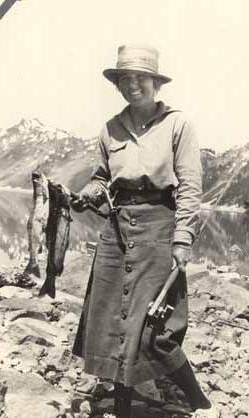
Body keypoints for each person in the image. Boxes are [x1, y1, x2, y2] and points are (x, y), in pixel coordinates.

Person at [71, 45, 219, 418]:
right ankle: (121, 406)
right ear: (118, 84)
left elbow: (189, 185)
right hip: (116, 232)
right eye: (124, 79)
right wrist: (87, 195)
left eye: (140, 78)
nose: (132, 85)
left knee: (154, 327)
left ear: (155, 82)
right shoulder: (110, 128)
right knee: (108, 318)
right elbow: (103, 178)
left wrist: (183, 238)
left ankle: (199, 402)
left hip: (159, 229)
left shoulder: (178, 125)